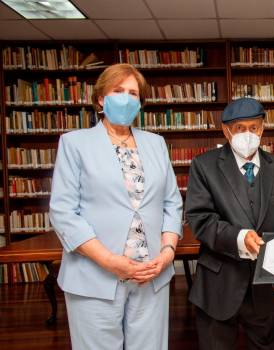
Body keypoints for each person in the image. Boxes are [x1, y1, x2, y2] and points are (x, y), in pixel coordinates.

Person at [49, 63, 183, 350]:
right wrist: (110, 262)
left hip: (151, 274)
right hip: (95, 275)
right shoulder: (75, 144)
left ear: (140, 102)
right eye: (118, 90)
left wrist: (168, 251)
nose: (126, 98)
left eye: (133, 93)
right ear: (100, 98)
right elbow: (63, 212)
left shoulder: (156, 143)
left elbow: (172, 202)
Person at [185, 97, 274, 350]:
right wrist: (239, 238)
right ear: (226, 130)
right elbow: (200, 219)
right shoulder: (204, 166)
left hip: (267, 288)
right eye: (239, 128)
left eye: (253, 127)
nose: (248, 134)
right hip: (218, 286)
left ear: (263, 128)